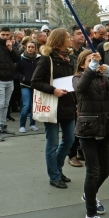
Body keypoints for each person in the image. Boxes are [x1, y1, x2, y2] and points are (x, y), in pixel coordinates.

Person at [73, 50, 109, 218]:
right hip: (87, 129)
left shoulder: (103, 78)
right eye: (89, 61)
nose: (94, 64)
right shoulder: (78, 78)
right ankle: (91, 212)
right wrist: (91, 67)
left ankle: (90, 195)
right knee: (93, 171)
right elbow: (81, 88)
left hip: (104, 126)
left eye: (95, 61)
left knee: (106, 170)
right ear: (82, 65)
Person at [30, 29, 75, 188]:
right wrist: (53, 90)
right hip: (52, 105)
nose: (70, 39)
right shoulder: (46, 59)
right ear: (59, 40)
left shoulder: (69, 57)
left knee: (70, 139)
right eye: (67, 37)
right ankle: (54, 175)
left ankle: (57, 169)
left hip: (67, 103)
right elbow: (34, 82)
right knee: (53, 142)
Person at [16, 40, 41, 133]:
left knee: (34, 106)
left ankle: (32, 124)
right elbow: (16, 71)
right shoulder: (21, 58)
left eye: (32, 47)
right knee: (26, 105)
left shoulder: (39, 58)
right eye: (29, 47)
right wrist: (23, 78)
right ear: (26, 48)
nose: (30, 49)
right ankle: (22, 125)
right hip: (25, 85)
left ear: (35, 49)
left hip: (36, 85)